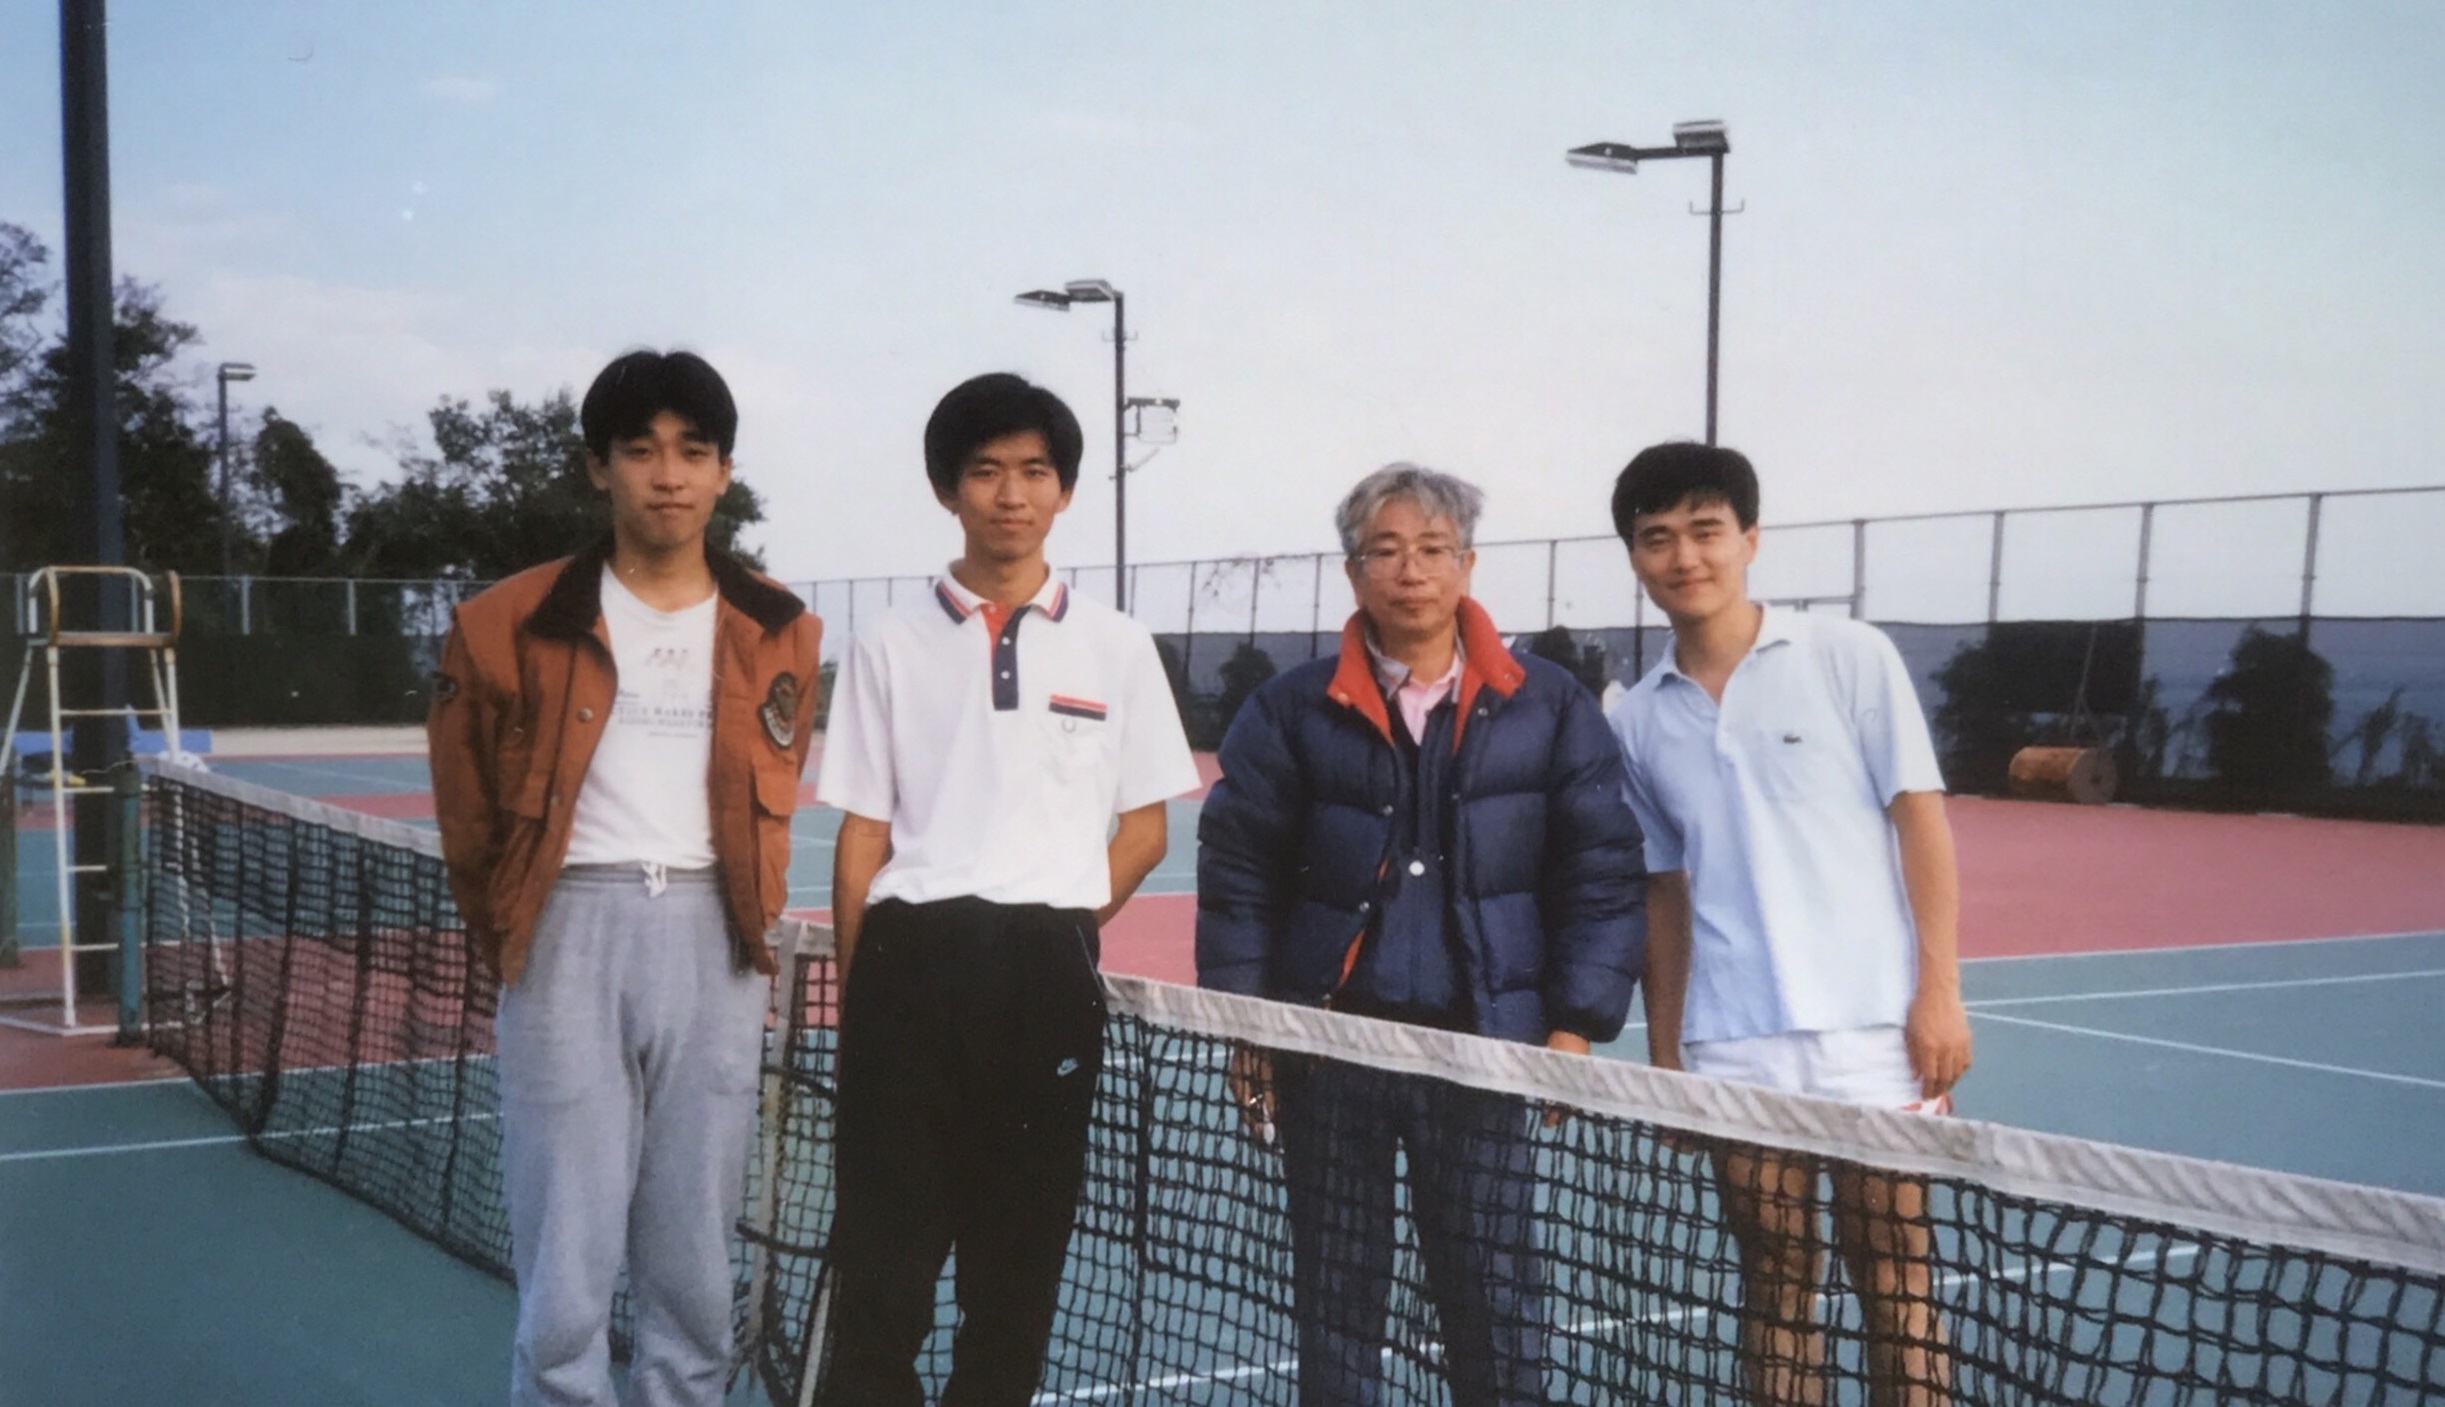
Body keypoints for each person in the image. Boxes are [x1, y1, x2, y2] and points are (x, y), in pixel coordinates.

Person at [1196, 463, 1647, 1407]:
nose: (1411, 570)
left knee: (1495, 1302)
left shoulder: (1550, 704)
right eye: (1386, 551)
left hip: (1483, 1054)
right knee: (1336, 1302)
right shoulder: (1287, 708)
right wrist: (1249, 1023)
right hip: (1328, 1050)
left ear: (1467, 565)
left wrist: (1575, 1022)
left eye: (1433, 549)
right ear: (1353, 572)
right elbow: (1238, 869)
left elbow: (1600, 867)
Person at [426, 349, 822, 1407]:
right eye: (640, 450)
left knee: (694, 1244)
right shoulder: (505, 621)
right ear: (599, 466)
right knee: (567, 1247)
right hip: (567, 933)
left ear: (724, 471)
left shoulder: (781, 626)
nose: (668, 475)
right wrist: (523, 931)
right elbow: (467, 819)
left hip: (718, 943)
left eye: (693, 451)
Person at [814, 372, 1202, 1407]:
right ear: (948, 489)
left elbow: (1146, 832)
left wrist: (1056, 914)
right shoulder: (885, 642)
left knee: (1015, 1274)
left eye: (1034, 470)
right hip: (906, 971)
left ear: (1064, 490)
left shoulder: (1117, 646)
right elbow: (863, 835)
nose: (1011, 493)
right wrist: (864, 995)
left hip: (1045, 981)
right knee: (883, 1272)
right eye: (985, 470)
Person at [1603, 442, 1970, 1407]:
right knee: (1775, 1281)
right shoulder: (1635, 721)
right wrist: (1667, 1052)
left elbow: (1919, 820)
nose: (1684, 556)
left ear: (1749, 539)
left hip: (1874, 1036)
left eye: (1705, 530)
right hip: (1735, 1044)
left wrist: (1938, 992)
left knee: (1895, 1276)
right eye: (1657, 537)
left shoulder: (1848, 655)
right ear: (1634, 557)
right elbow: (1662, 892)